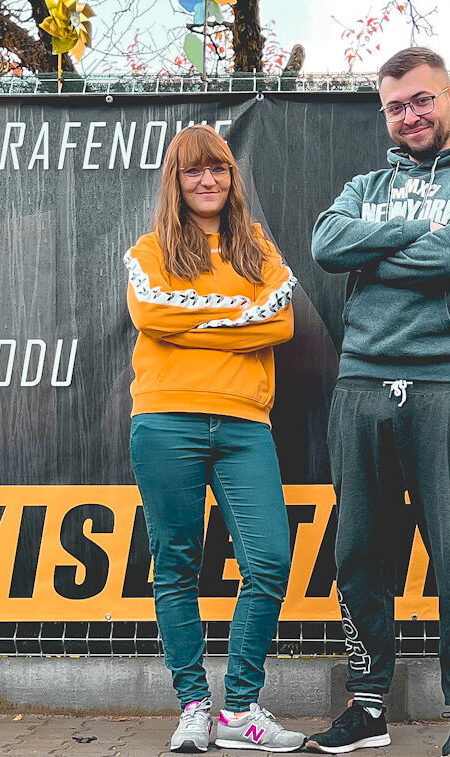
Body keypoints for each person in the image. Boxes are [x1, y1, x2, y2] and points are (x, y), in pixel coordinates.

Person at [307, 48, 450, 757]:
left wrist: (375, 253)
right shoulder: (364, 184)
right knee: (359, 555)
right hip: (361, 386)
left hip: (446, 387)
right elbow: (326, 243)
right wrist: (418, 230)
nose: (409, 116)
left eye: (421, 100)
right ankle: (368, 706)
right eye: (395, 107)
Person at [125, 124, 305, 753]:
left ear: (233, 176)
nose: (208, 180)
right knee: (175, 565)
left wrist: (191, 324)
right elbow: (151, 316)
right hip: (165, 419)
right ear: (175, 181)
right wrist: (236, 318)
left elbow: (279, 324)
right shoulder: (151, 250)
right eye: (194, 170)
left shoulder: (257, 247)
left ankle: (240, 710)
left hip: (244, 423)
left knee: (269, 561)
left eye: (219, 168)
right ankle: (194, 707)